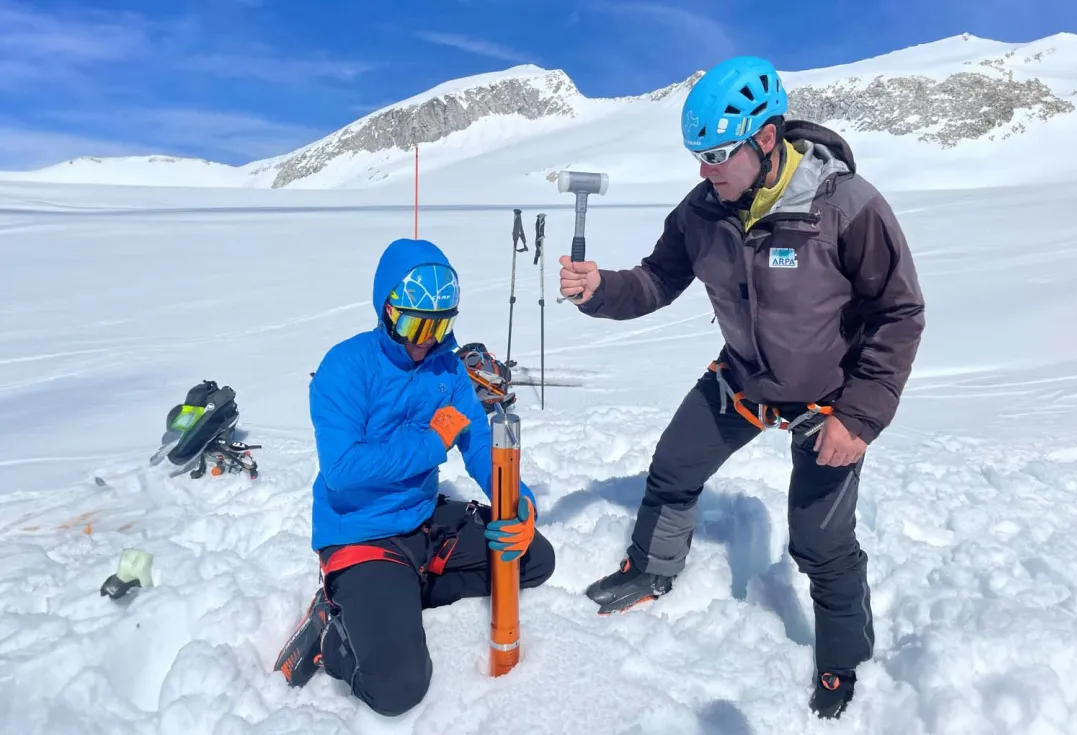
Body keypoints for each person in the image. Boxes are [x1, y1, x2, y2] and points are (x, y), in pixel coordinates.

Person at [558, 56, 925, 719]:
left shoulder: (845, 205)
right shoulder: (701, 212)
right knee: (673, 468)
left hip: (828, 402)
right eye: (696, 155)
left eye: (717, 154)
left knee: (820, 543)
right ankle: (652, 566)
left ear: (765, 137)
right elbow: (655, 279)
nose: (704, 170)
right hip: (742, 380)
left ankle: (843, 658)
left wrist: (861, 415)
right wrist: (599, 289)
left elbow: (898, 312)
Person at [274, 237, 556, 716]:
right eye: (414, 322)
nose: (426, 338)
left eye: (440, 324)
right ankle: (335, 629)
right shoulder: (345, 367)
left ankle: (399, 594)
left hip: (425, 522)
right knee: (398, 689)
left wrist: (518, 501)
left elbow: (480, 445)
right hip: (363, 534)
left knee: (533, 558)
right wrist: (429, 442)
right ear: (385, 309)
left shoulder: (447, 368)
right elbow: (342, 470)